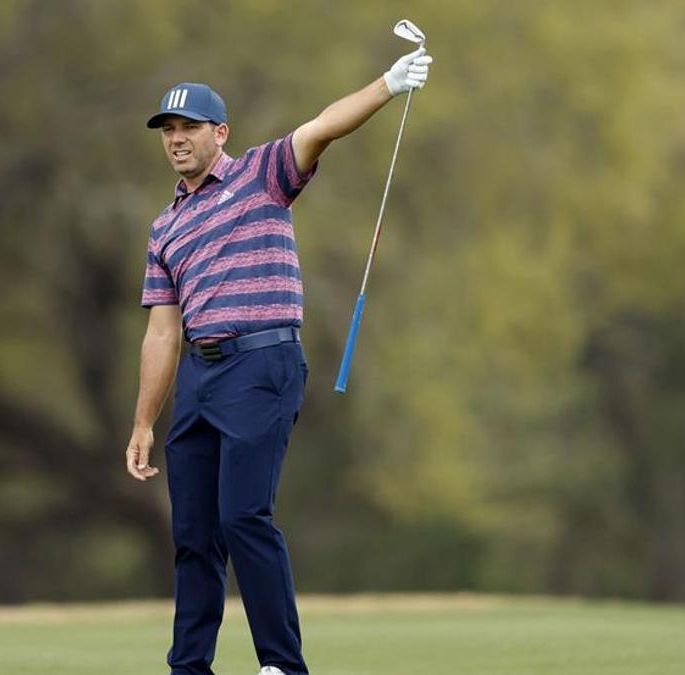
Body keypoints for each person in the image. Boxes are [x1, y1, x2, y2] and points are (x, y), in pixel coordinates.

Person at [125, 47, 433, 675]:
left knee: (243, 516)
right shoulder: (164, 228)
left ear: (221, 133)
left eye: (190, 128)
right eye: (169, 130)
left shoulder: (262, 173)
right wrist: (142, 423)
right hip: (200, 377)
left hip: (262, 363)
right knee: (192, 536)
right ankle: (189, 667)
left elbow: (323, 126)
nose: (178, 139)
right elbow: (161, 334)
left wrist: (387, 85)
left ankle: (281, 665)